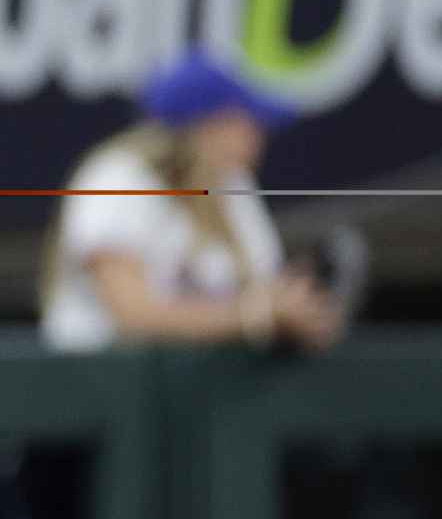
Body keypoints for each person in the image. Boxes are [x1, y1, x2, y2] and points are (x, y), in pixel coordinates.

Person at [40, 49, 343, 353]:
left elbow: (261, 289)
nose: (257, 139)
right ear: (206, 126)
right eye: (243, 124)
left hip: (189, 387)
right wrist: (255, 316)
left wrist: (294, 308)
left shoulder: (233, 186)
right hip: (94, 385)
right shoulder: (118, 179)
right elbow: (132, 315)